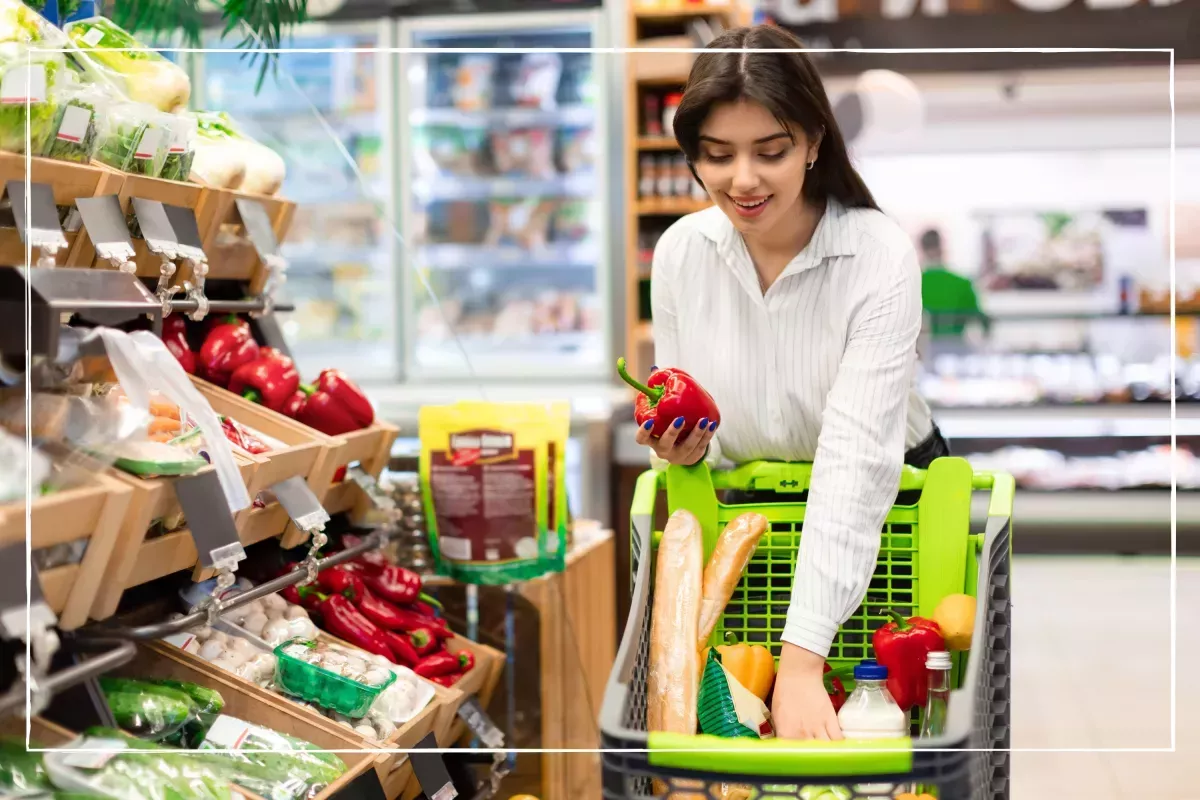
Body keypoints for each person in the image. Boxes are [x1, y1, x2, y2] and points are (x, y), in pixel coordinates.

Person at [632, 25, 949, 741]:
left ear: (812, 143)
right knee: (748, 739)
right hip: (754, 521)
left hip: (888, 509)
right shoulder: (682, 253)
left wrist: (804, 660)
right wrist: (681, 452)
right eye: (717, 156)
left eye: (770, 152)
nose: (742, 179)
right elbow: (695, 430)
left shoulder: (877, 255)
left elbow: (856, 459)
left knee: (882, 738)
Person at [918, 228, 989, 339]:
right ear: (941, 248)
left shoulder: (914, 285)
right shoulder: (963, 283)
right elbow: (980, 319)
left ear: (922, 249)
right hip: (956, 348)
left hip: (923, 350)